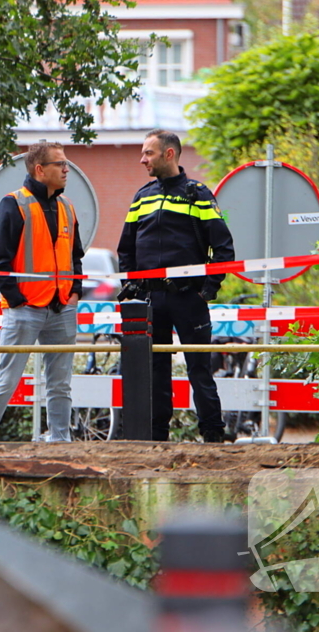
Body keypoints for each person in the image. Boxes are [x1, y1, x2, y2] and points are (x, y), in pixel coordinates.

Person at [116, 129, 235, 443]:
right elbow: (125, 249)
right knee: (155, 371)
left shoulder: (198, 194)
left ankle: (213, 437)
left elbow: (224, 249)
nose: (142, 160)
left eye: (149, 153)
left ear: (169, 154)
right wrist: (133, 287)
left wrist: (207, 290)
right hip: (150, 300)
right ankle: (157, 439)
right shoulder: (142, 196)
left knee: (199, 369)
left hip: (188, 298)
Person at [0, 142, 83, 442]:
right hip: (24, 311)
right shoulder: (13, 204)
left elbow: (76, 256)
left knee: (60, 384)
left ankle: (60, 442)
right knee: (6, 381)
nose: (66, 169)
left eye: (66, 163)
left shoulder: (67, 207)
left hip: (61, 307)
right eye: (60, 164)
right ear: (40, 169)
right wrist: (18, 301)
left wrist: (74, 293)